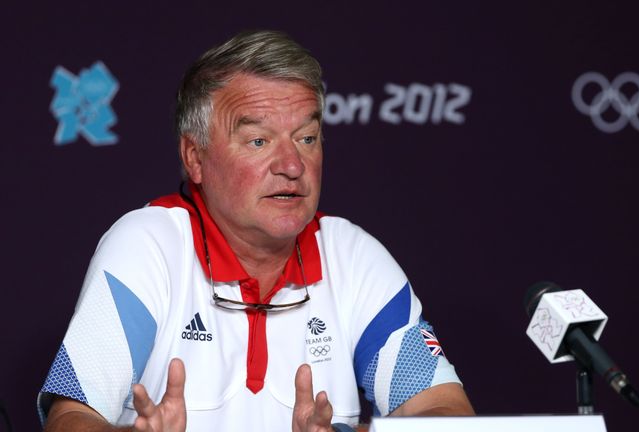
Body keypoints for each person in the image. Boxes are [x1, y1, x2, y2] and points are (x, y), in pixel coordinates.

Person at [37, 30, 474, 431]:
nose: (291, 166)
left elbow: (447, 414)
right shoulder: (148, 244)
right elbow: (71, 416)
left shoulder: (352, 255)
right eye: (259, 141)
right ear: (195, 159)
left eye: (306, 138)